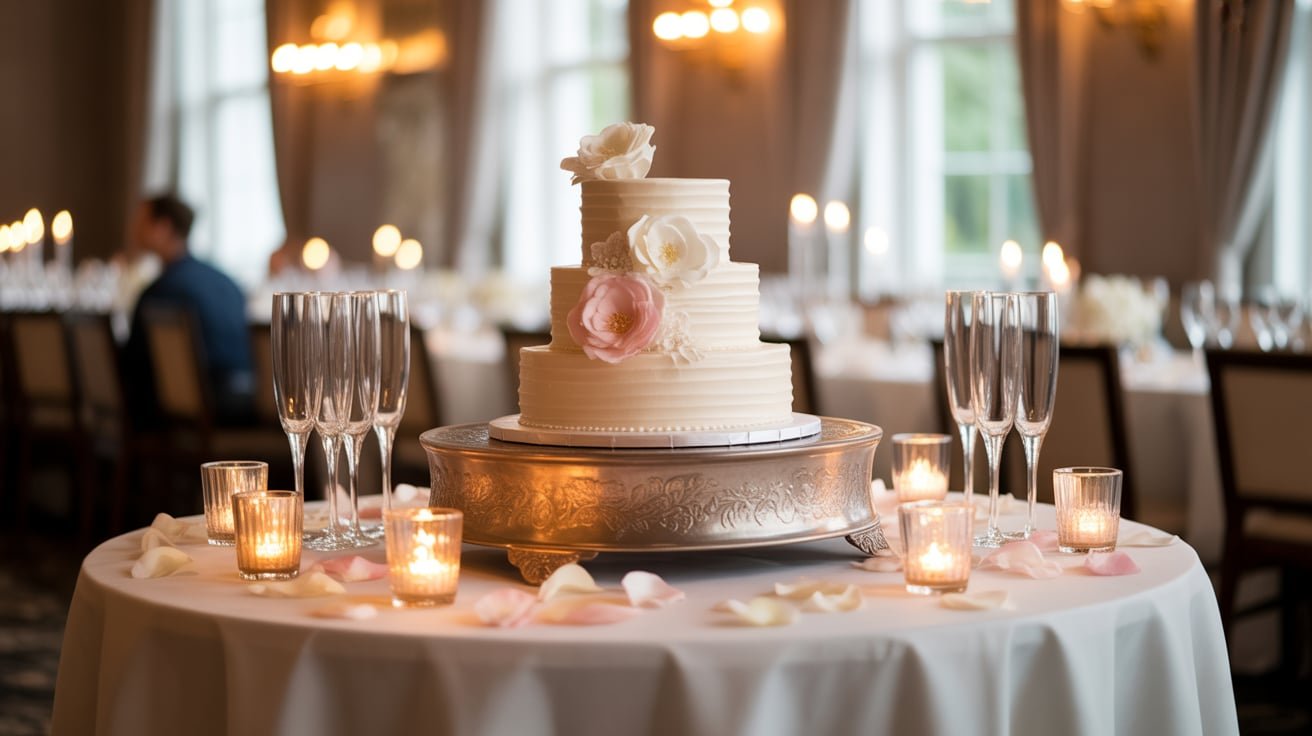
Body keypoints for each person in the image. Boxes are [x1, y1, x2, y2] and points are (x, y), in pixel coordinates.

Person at [124, 194, 254, 425]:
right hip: (250, 395)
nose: (134, 228)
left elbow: (133, 362)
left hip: (200, 407)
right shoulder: (227, 282)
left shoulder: (160, 292)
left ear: (163, 227)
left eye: (141, 221)